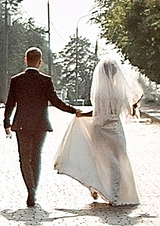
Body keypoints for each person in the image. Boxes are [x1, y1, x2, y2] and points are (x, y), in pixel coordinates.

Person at [2, 47, 87, 209]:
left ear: (25, 60)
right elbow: (55, 102)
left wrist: (6, 122)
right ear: (40, 62)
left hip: (21, 124)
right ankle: (33, 191)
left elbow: (10, 103)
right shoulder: (45, 80)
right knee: (36, 156)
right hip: (41, 125)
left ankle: (30, 189)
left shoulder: (16, 80)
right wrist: (74, 110)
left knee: (24, 158)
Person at [53, 57, 141, 207]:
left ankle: (95, 187)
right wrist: (135, 105)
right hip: (115, 130)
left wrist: (82, 114)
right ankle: (114, 195)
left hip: (99, 129)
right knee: (118, 162)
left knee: (98, 160)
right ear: (115, 73)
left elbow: (97, 113)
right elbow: (130, 111)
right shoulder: (121, 91)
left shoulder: (100, 92)